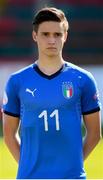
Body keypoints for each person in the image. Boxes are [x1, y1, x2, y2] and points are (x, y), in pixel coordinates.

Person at [2, 7, 101, 179]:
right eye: (45, 34)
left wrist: (73, 165)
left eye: (57, 34)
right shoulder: (17, 81)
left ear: (65, 37)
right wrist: (27, 166)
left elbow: (94, 134)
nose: (52, 40)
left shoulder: (83, 79)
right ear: (35, 36)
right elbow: (9, 135)